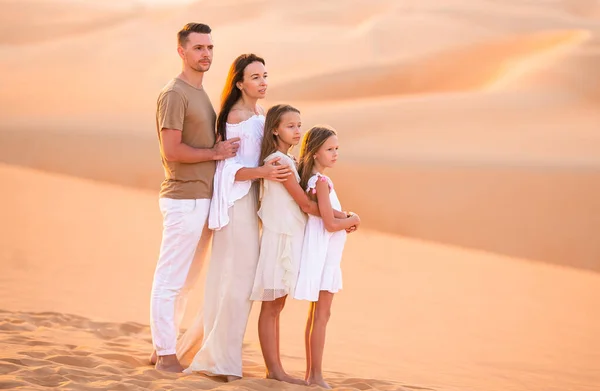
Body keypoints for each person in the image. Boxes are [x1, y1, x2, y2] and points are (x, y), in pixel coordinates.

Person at [184, 54, 291, 381]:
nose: (263, 82)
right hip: (236, 206)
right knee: (238, 283)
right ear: (240, 83)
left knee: (234, 282)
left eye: (265, 76)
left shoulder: (259, 114)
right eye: (255, 77)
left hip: (252, 206)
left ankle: (205, 352)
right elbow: (228, 168)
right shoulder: (235, 116)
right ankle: (220, 362)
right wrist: (261, 172)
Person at [149, 22, 240, 373]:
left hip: (202, 199)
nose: (206, 54)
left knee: (185, 283)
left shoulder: (200, 93)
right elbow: (171, 150)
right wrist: (216, 154)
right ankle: (165, 353)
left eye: (210, 48)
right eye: (199, 48)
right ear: (182, 51)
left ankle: (164, 349)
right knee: (170, 280)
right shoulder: (175, 94)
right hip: (183, 198)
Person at [250, 105, 356, 384]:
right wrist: (347, 218)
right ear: (275, 129)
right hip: (281, 237)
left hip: (289, 236)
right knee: (271, 306)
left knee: (276, 306)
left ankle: (277, 369)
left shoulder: (287, 161)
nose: (297, 131)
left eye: (299, 125)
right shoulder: (280, 162)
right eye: (290, 126)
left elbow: (310, 206)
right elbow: (306, 205)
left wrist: (342, 216)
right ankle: (274, 370)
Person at [294, 125, 360, 389]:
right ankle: (315, 376)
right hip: (323, 257)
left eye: (337, 150)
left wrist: (344, 217)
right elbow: (330, 224)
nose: (335, 154)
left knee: (317, 316)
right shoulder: (320, 181)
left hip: (324, 255)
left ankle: (313, 373)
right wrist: (353, 219)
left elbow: (326, 214)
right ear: (314, 152)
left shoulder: (314, 179)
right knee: (321, 316)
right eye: (329, 150)